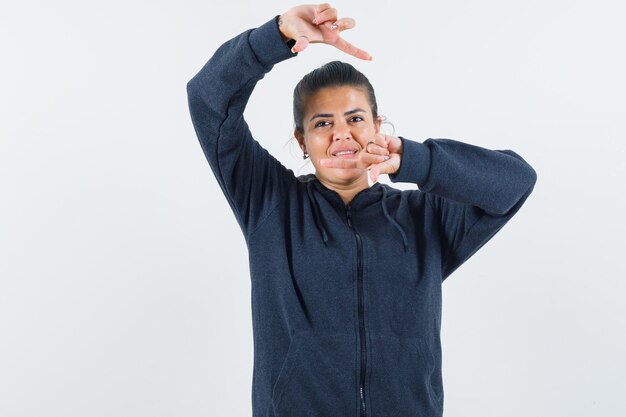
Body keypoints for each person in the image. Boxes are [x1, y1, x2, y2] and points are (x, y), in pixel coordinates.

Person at [186, 4, 537, 417]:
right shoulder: (270, 203)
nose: (341, 133)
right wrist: (277, 35)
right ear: (302, 142)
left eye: (355, 118)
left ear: (377, 127)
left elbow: (515, 182)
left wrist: (416, 161)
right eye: (322, 123)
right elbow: (208, 98)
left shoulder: (425, 217)